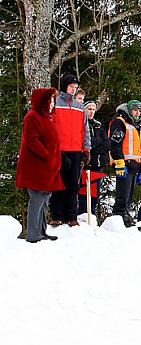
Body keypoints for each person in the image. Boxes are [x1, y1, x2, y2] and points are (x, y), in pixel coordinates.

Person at [16, 87, 64, 243]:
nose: (51, 104)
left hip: (48, 167)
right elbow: (31, 140)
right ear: (42, 101)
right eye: (49, 100)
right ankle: (32, 234)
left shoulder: (47, 118)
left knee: (44, 200)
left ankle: (41, 231)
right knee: (36, 200)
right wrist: (46, 155)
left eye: (52, 101)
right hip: (36, 167)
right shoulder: (32, 116)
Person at [49, 73, 91, 226]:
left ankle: (72, 216)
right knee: (58, 183)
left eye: (75, 87)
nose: (74, 89)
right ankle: (56, 216)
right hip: (59, 150)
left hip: (76, 150)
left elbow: (85, 129)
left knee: (73, 184)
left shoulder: (80, 107)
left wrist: (86, 149)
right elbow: (50, 126)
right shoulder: (55, 103)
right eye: (71, 86)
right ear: (65, 86)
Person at [109, 100, 141, 226]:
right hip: (124, 164)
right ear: (129, 110)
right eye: (135, 110)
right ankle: (118, 218)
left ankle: (125, 215)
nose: (137, 113)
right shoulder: (120, 122)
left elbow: (139, 148)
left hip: (135, 166)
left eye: (140, 111)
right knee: (122, 196)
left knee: (129, 196)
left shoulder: (136, 125)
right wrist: (119, 164)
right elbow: (115, 144)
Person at [78, 100, 110, 216]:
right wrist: (97, 142)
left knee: (95, 193)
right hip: (86, 164)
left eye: (93, 109)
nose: (91, 112)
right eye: (89, 109)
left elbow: (107, 144)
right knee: (84, 193)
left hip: (97, 164)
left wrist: (95, 146)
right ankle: (82, 215)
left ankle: (91, 215)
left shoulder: (98, 125)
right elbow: (86, 142)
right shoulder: (80, 123)